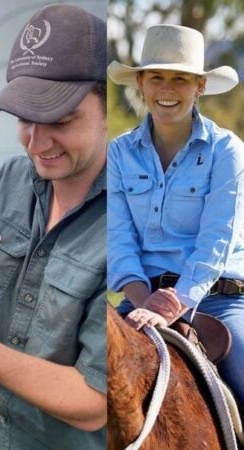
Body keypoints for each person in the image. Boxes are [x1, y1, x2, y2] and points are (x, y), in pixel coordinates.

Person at [0, 5, 108, 449]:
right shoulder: (8, 181)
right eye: (24, 118)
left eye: (60, 120)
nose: (36, 143)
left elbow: (93, 401)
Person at [107, 24, 244, 405]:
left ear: (199, 86)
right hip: (140, 297)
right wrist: (145, 302)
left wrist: (175, 304)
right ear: (141, 83)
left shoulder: (226, 150)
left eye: (181, 79)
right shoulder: (118, 153)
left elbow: (218, 240)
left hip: (218, 300)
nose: (167, 89)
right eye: (157, 77)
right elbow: (118, 239)